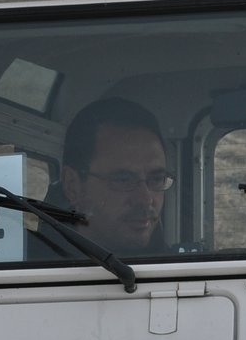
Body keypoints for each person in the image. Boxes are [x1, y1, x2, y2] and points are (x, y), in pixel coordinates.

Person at [58, 97, 172, 254]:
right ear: (72, 186)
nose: (145, 199)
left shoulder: (181, 271)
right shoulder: (23, 265)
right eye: (124, 180)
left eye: (156, 179)